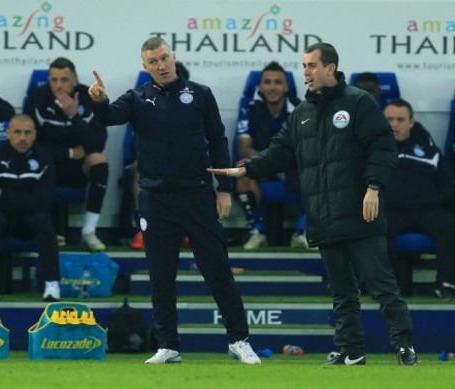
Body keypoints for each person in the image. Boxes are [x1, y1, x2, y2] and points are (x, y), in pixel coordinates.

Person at [208, 42, 417, 366]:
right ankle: (351, 350)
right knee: (341, 291)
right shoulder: (302, 113)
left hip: (361, 212)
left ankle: (404, 345)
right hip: (323, 216)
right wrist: (246, 169)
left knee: (382, 286)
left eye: (310, 65)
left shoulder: (359, 103)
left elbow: (383, 148)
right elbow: (280, 151)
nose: (304, 72)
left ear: (329, 68)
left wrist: (373, 187)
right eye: (303, 66)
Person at [88, 36, 261, 365]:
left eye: (164, 58)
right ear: (145, 67)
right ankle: (168, 345)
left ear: (174, 57)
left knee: (218, 270)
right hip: (155, 200)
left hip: (197, 194)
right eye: (153, 62)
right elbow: (109, 117)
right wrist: (99, 100)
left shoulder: (200, 94)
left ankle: (239, 340)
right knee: (161, 275)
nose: (160, 65)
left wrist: (223, 189)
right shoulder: (137, 98)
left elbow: (218, 140)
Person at [0, 113, 61, 302]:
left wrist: (3, 194)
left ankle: (52, 284)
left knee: (44, 220)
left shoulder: (44, 158)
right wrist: (25, 200)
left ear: (34, 135)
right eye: (17, 132)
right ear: (8, 134)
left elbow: (44, 201)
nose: (22, 138)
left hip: (27, 221)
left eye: (27, 133)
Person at [23, 57, 108, 252]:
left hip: (80, 165)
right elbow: (30, 144)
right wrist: (69, 152)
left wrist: (74, 116)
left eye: (64, 80)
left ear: (75, 81)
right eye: (54, 80)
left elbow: (98, 144)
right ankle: (47, 231)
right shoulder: (38, 98)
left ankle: (89, 231)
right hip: (50, 163)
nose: (58, 85)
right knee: (38, 160)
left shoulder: (89, 97)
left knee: (99, 160)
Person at [383, 98, 455, 299]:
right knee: (376, 227)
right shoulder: (373, 150)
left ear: (411, 122)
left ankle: (447, 284)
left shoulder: (430, 151)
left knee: (450, 226)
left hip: (427, 210)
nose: (394, 124)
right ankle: (384, 287)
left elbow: (448, 184)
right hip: (390, 209)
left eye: (400, 119)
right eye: (389, 119)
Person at [234, 61, 306, 249]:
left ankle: (303, 232)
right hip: (263, 166)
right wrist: (271, 162)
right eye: (267, 82)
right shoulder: (248, 107)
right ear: (260, 86)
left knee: (315, 167)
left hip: (291, 168)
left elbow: (305, 149)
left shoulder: (301, 109)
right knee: (242, 165)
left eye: (278, 82)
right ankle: (257, 230)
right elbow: (244, 147)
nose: (272, 87)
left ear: (286, 86)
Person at [125, 61, 191, 251]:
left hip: (185, 163)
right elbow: (137, 143)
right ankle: (144, 229)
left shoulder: (195, 105)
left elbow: (202, 144)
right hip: (150, 161)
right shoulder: (141, 104)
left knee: (200, 166)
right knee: (140, 167)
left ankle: (188, 229)